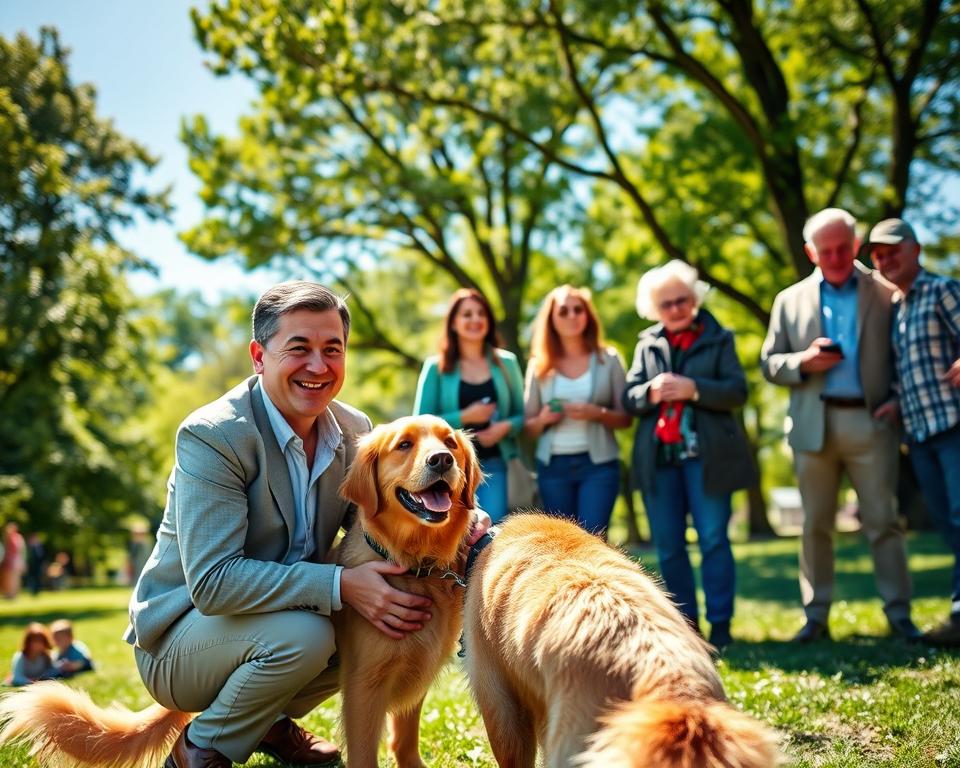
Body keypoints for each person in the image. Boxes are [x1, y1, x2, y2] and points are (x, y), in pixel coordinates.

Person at [126, 281, 490, 768]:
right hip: (182, 638)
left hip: (282, 617)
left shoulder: (354, 430)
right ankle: (201, 747)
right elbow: (213, 584)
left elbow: (373, 526)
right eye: (298, 349)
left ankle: (267, 721)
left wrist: (454, 519)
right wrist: (341, 584)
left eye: (332, 349)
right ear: (259, 355)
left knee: (368, 622)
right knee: (311, 634)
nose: (318, 366)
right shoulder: (213, 436)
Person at [761, 208, 920, 643]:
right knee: (815, 525)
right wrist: (804, 362)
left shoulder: (885, 292)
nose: (834, 257)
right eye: (824, 250)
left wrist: (896, 400)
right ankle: (815, 616)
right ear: (810, 251)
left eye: (842, 248)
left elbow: (907, 355)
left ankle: (899, 612)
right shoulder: (788, 300)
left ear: (854, 245)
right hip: (813, 424)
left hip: (872, 421)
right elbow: (770, 363)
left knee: (883, 520)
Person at [622, 260, 756, 649]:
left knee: (714, 538)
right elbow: (629, 398)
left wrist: (693, 389)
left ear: (695, 299)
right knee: (669, 546)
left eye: (682, 300)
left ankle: (722, 626)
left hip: (707, 459)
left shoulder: (719, 337)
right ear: (654, 308)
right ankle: (687, 629)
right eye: (667, 304)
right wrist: (650, 392)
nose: (676, 309)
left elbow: (737, 390)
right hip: (659, 462)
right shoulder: (646, 343)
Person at [866, 218, 960, 647]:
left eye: (892, 251)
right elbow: (915, 369)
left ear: (915, 249)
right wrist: (895, 403)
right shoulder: (897, 308)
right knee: (946, 522)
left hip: (953, 426)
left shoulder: (942, 290)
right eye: (877, 255)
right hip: (919, 434)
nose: (885, 260)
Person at [523, 285, 632, 534]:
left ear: (588, 315)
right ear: (552, 319)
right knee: (562, 545)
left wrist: (597, 413)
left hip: (599, 466)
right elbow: (528, 429)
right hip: (553, 468)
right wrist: (543, 419)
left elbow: (626, 418)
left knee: (593, 540)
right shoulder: (539, 366)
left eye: (578, 309)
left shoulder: (609, 359)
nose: (572, 316)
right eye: (563, 311)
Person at [413, 288, 525, 522]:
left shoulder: (507, 363)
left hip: (494, 466)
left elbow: (521, 415)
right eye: (467, 314)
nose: (475, 319)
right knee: (449, 533)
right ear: (454, 323)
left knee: (490, 532)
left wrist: (504, 428)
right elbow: (421, 422)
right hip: (447, 469)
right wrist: (466, 416)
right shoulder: (436, 367)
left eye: (481, 314)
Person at [0, 522, 26, 599]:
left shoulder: (18, 538)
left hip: (15, 561)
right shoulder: (7, 538)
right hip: (9, 560)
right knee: (8, 578)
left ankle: (13, 594)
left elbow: (21, 551)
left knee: (15, 578)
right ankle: (9, 594)